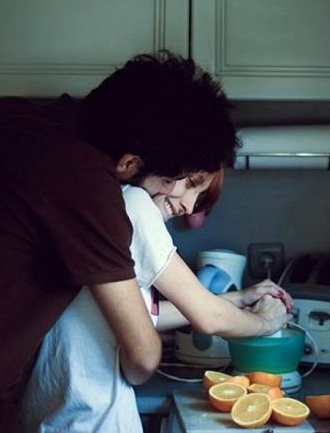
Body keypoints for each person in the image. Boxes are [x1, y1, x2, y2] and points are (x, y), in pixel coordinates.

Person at [0, 50, 252, 433]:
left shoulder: (1, 116)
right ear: (129, 162)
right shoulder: (84, 178)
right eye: (167, 182)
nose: (169, 196)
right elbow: (143, 354)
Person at [18, 170, 293, 432]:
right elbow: (208, 318)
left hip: (52, 414)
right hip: (93, 418)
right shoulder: (134, 203)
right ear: (170, 171)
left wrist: (236, 298)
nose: (188, 206)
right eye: (191, 185)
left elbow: (145, 316)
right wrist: (266, 321)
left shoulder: (103, 203)